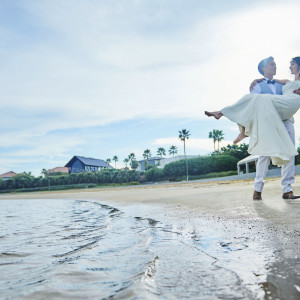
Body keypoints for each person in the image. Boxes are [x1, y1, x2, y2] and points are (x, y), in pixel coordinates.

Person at [205, 57, 300, 200]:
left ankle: (287, 190)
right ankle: (257, 190)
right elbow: (250, 109)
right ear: (263, 68)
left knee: (290, 153)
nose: (276, 66)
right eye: (271, 64)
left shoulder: (284, 83)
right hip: (266, 120)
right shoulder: (258, 85)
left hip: (285, 119)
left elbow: (281, 84)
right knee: (263, 154)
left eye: (275, 64)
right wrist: (258, 79)